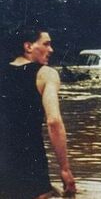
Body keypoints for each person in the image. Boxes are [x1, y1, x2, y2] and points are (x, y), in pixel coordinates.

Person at [0, 26, 77, 198]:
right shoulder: (45, 74)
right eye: (46, 44)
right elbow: (54, 122)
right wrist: (64, 169)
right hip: (29, 162)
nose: (51, 49)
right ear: (28, 46)